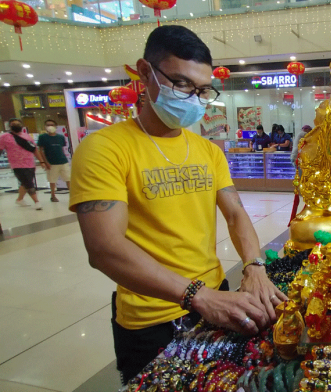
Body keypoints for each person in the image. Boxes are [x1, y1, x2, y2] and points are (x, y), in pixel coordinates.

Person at [69, 25, 286, 384]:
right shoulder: (105, 148)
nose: (192, 97)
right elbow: (105, 248)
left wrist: (254, 266)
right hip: (152, 318)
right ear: (145, 73)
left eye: (202, 89)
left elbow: (235, 213)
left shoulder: (208, 151)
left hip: (217, 298)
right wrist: (196, 295)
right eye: (182, 83)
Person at [0, 118, 48, 210]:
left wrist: (41, 161)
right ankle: (36, 202)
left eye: (18, 124)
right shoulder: (4, 137)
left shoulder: (26, 136)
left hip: (30, 163)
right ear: (10, 126)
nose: (16, 125)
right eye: (14, 124)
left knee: (25, 182)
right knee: (28, 183)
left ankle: (19, 199)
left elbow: (34, 149)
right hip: (17, 164)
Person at [37, 119, 70, 202]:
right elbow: (41, 150)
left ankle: (72, 195)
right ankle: (53, 195)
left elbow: (61, 148)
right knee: (52, 180)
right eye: (48, 125)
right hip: (51, 162)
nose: (50, 126)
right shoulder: (42, 137)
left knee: (68, 178)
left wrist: (63, 157)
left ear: (56, 126)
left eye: (52, 125)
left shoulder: (60, 137)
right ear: (45, 127)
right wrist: (45, 162)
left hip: (63, 161)